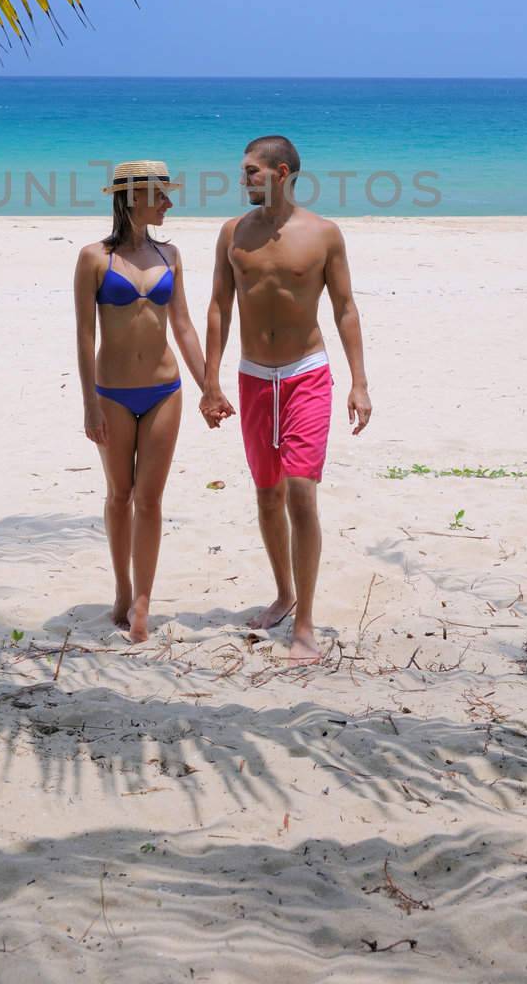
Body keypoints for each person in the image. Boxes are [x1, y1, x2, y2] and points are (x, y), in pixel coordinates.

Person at [200, 135, 371, 664]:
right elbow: (218, 310)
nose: (242, 179)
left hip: (306, 373)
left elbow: (344, 308)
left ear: (280, 172)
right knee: (268, 493)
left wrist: (359, 382)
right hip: (253, 376)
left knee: (301, 491)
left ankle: (305, 623)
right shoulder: (232, 233)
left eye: (251, 171)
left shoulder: (323, 234)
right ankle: (283, 593)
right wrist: (210, 383)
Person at [74, 160, 206, 643]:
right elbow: (84, 336)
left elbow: (185, 326)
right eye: (160, 196)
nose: (169, 204)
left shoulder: (171, 254)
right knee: (119, 494)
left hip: (164, 390)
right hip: (110, 393)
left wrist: (209, 384)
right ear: (133, 199)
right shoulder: (94, 258)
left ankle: (144, 602)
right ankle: (123, 589)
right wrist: (89, 404)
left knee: (149, 499)